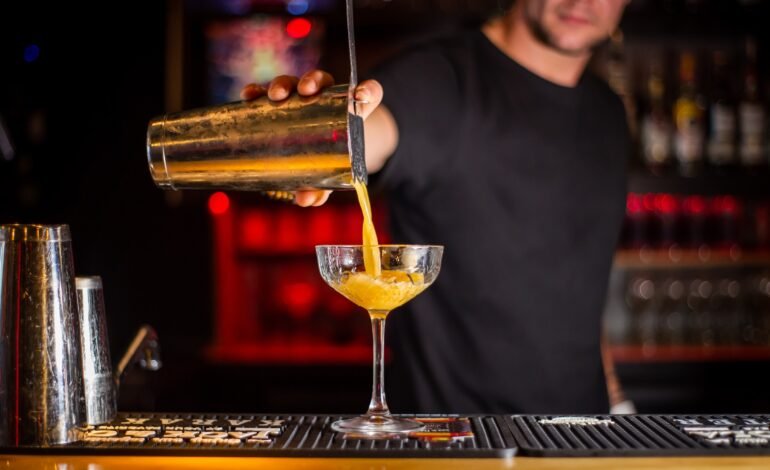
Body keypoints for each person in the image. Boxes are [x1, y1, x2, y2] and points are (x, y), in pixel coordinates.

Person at [243, 0, 631, 414]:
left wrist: (617, 400)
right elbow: (371, 131)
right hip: (457, 442)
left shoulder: (608, 112)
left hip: (585, 435)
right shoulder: (439, 78)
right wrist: (312, 133)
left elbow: (578, 288)